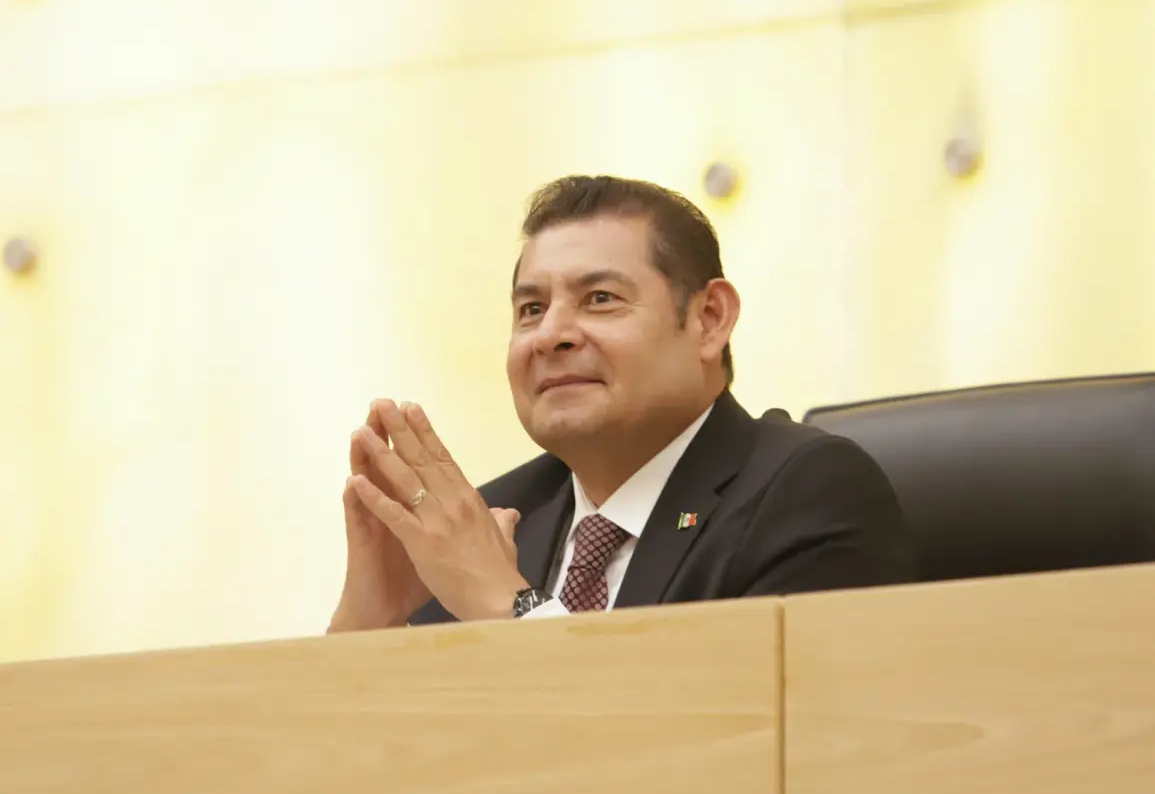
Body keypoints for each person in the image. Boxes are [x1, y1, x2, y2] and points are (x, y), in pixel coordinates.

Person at [328, 175, 915, 632]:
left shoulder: (807, 493)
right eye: (531, 309)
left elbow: (733, 738)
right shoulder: (495, 519)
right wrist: (368, 621)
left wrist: (508, 604)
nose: (550, 335)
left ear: (709, 319)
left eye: (600, 298)